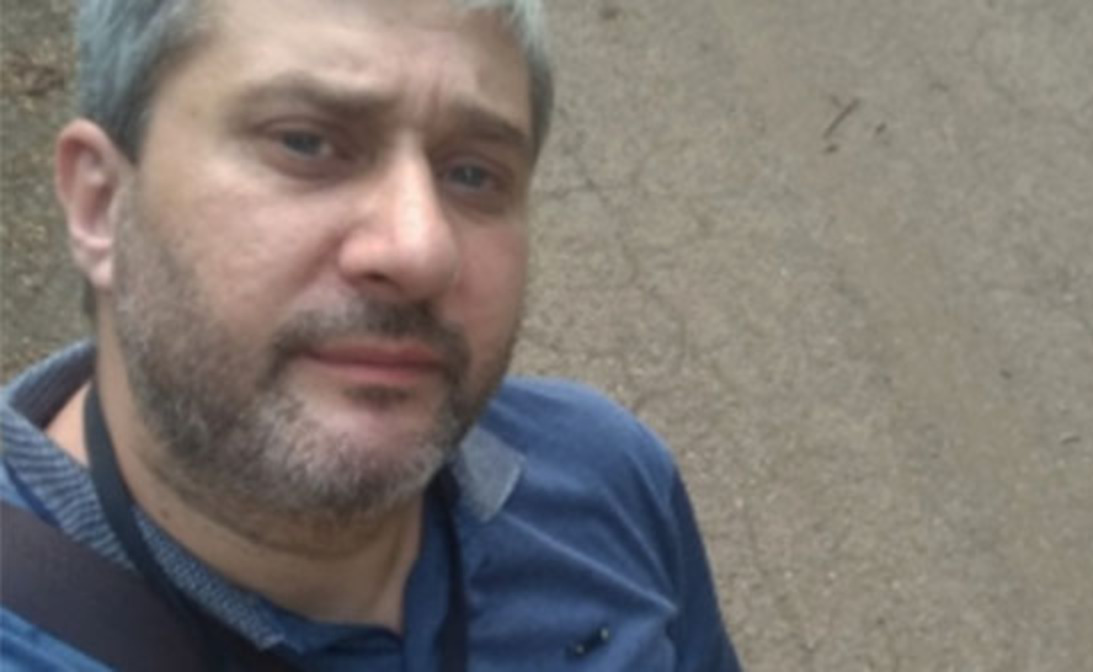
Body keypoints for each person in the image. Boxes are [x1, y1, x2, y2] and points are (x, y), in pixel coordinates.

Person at [0, 0, 742, 669]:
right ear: (101, 204)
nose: (421, 250)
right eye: (305, 143)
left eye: (473, 174)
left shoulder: (605, 480)